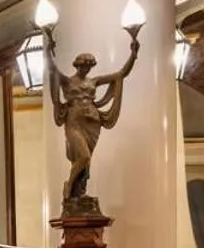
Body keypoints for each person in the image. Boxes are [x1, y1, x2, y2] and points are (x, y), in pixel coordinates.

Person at [45, 25, 139, 200]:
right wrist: (48, 48)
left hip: (92, 122)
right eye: (84, 65)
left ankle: (79, 191)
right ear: (77, 66)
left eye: (89, 66)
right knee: (84, 156)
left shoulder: (94, 81)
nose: (87, 69)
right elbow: (52, 69)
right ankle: (69, 185)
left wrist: (133, 54)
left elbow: (121, 74)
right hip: (74, 121)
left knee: (86, 162)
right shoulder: (67, 81)